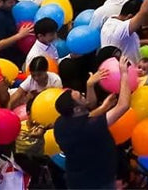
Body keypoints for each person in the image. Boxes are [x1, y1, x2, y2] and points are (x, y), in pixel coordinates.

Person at [52, 56, 136, 190]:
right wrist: (124, 73)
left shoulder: (60, 124)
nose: (83, 94)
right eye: (80, 96)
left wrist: (101, 105)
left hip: (76, 182)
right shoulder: (91, 127)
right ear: (76, 109)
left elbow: (86, 116)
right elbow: (123, 105)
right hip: (99, 182)